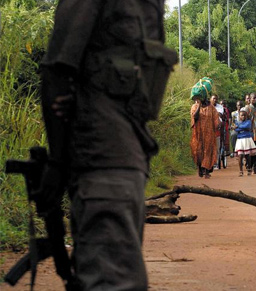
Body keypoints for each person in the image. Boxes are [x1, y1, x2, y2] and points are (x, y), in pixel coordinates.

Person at [39, 0, 177, 288]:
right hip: (131, 160)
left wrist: (56, 164)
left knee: (109, 280)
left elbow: (55, 74)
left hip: (99, 159)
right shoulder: (151, 6)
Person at [192, 95, 220, 178]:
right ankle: (200, 168)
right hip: (198, 134)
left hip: (209, 134)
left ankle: (207, 171)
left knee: (208, 151)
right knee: (198, 151)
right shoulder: (194, 106)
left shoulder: (211, 107)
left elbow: (216, 118)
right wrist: (199, 106)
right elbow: (194, 117)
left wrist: (217, 124)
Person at [235, 110, 256, 176]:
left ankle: (249, 168)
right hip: (240, 139)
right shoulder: (237, 122)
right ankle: (240, 170)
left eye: (244, 115)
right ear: (239, 116)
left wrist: (238, 127)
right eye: (242, 115)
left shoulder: (248, 122)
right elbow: (236, 130)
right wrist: (239, 128)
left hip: (247, 139)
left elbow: (247, 127)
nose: (243, 117)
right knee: (240, 155)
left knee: (247, 155)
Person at [245, 93, 256, 174]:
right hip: (250, 133)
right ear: (250, 99)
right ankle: (249, 167)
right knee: (250, 152)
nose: (255, 100)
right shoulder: (247, 109)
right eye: (254, 98)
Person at [210, 94, 224, 170]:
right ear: (210, 99)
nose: (215, 100)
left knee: (217, 147)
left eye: (216, 99)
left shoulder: (220, 107)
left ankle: (216, 164)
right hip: (209, 128)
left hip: (217, 128)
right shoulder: (207, 106)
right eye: (214, 99)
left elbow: (220, 115)